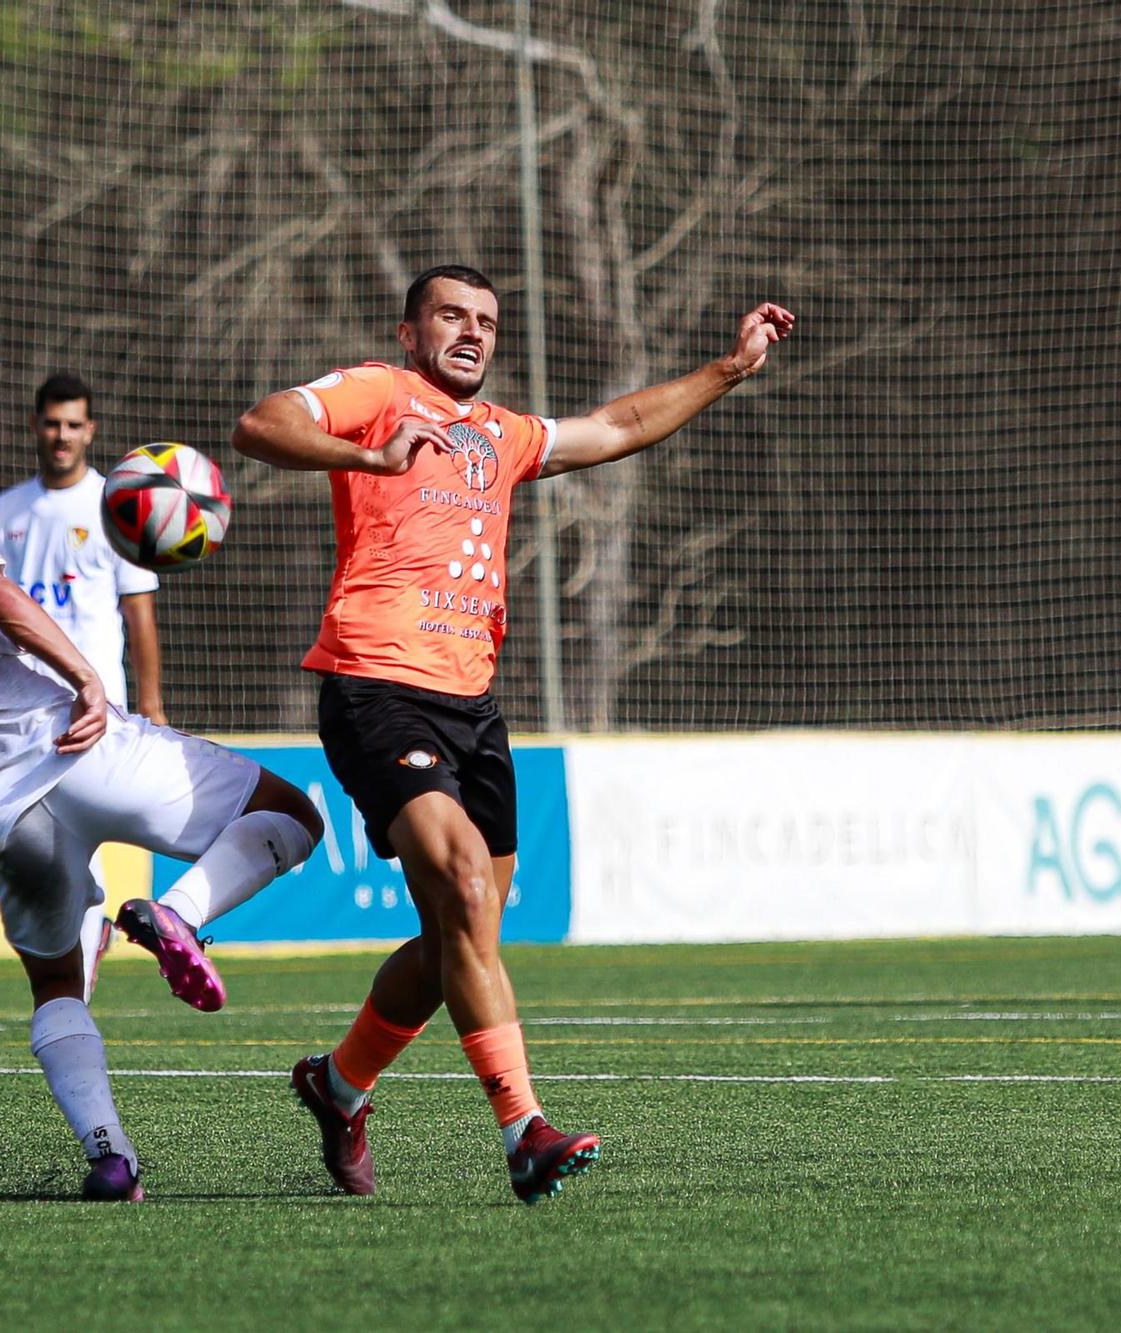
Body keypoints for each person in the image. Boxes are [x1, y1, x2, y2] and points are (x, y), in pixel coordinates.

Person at [232, 264, 793, 1203]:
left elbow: (616, 427)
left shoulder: (504, 435)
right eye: (451, 315)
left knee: (462, 927)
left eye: (488, 321)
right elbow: (261, 425)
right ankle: (525, 1130)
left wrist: (730, 369)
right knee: (457, 887)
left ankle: (337, 1086)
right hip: (377, 687)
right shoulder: (380, 392)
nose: (472, 332)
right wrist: (367, 458)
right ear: (410, 333)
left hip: (474, 706)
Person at [0, 452, 322, 1201]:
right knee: (290, 813)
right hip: (77, 750)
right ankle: (176, 913)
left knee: (57, 984)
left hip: (0, 826)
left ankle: (110, 1155)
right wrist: (87, 676)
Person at [0, 374, 164, 1000]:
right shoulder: (5, 511)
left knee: (77, 842)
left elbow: (139, 613)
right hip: (22, 711)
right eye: (52, 423)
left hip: (95, 706)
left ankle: (78, 982)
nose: (61, 435)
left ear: (90, 431)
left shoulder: (113, 506)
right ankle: (88, 937)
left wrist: (150, 705)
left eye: (73, 424)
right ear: (36, 426)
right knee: (36, 847)